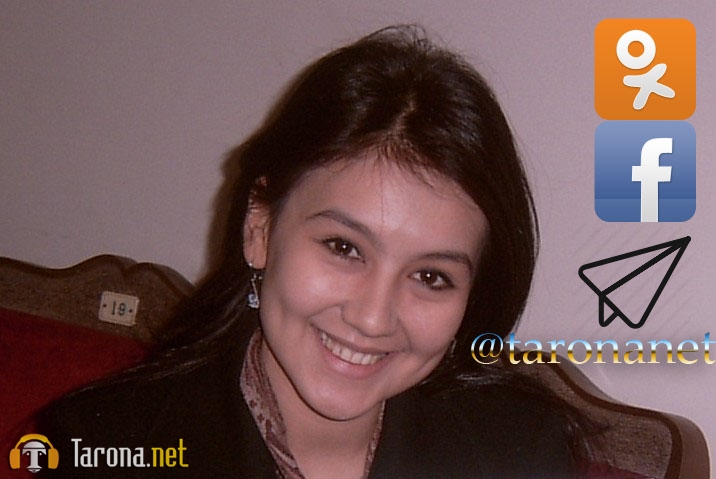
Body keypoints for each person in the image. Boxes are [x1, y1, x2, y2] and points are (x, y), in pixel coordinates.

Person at [39, 25, 592, 478]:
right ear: (260, 227)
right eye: (343, 247)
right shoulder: (104, 449)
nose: (372, 318)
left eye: (431, 277)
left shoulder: (518, 450)